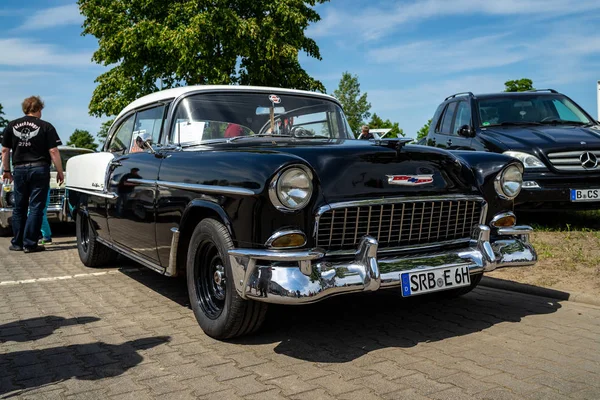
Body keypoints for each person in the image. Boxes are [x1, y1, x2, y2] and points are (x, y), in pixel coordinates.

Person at [1, 96, 64, 253]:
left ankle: (17, 243)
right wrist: (59, 171)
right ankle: (30, 244)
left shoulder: (11, 125)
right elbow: (54, 151)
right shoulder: (46, 126)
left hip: (19, 170)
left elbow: (4, 150)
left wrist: (6, 171)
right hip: (39, 169)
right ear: (39, 109)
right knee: (36, 207)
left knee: (19, 207)